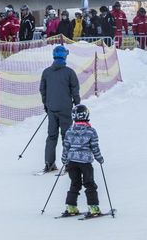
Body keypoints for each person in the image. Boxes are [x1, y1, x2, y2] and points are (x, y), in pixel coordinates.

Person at [39, 45, 81, 173]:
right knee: (66, 135)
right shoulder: (69, 72)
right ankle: (68, 163)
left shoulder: (46, 72)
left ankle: (49, 163)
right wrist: (77, 104)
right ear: (65, 56)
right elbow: (75, 89)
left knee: (52, 136)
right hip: (65, 108)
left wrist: (46, 104)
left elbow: (42, 90)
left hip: (52, 108)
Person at [59, 104, 105, 218]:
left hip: (72, 163)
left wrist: (64, 159)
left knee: (75, 183)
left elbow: (66, 147)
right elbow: (94, 146)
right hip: (85, 163)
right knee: (89, 184)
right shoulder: (91, 131)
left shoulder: (69, 131)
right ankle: (93, 207)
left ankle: (71, 207)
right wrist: (99, 158)